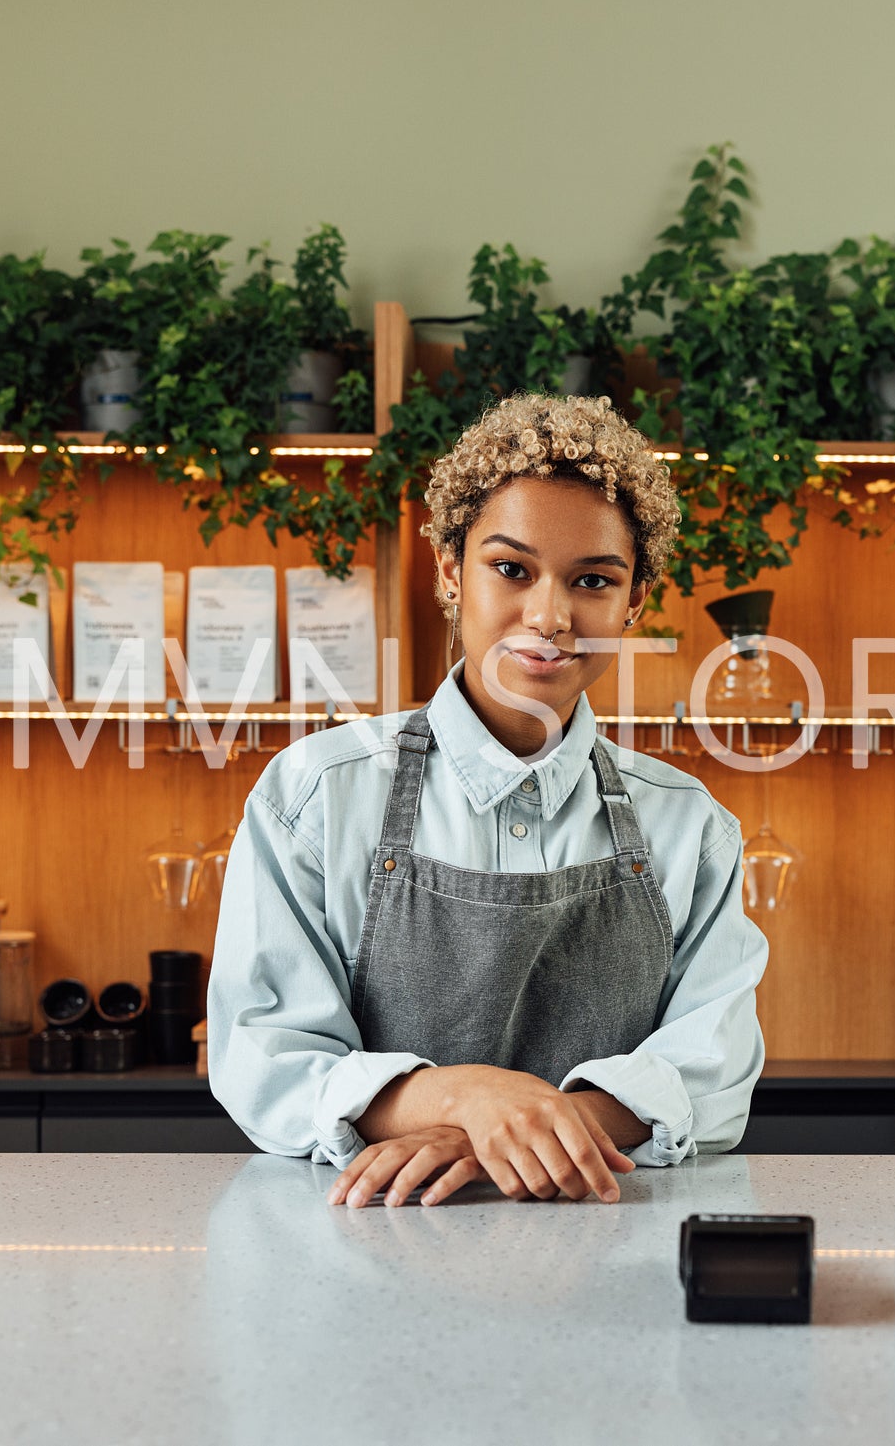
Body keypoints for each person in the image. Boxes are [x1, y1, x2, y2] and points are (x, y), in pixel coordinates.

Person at [208, 393, 767, 1209]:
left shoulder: (689, 827)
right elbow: (265, 1055)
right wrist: (464, 1097)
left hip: (611, 1258)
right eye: (511, 569)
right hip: (364, 1253)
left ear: (634, 603)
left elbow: (712, 1071)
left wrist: (505, 1134)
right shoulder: (316, 795)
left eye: (593, 581)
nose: (549, 615)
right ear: (448, 570)